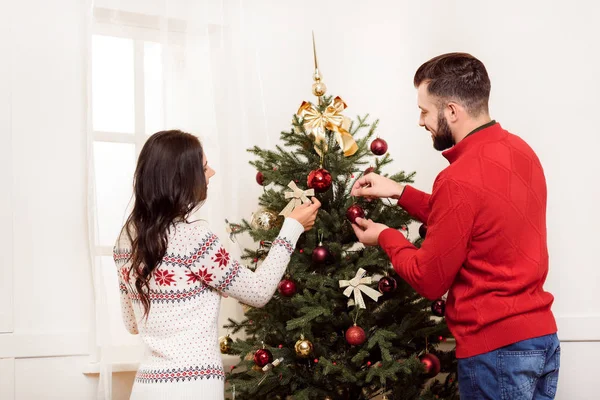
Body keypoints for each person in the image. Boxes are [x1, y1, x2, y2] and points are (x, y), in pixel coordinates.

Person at [350, 53, 560, 399]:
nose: (420, 121)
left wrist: (385, 236)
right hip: (541, 339)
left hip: (497, 352)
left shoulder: (458, 180)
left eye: (424, 111)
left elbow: (429, 279)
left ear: (451, 111)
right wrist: (400, 191)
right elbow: (474, 220)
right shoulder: (521, 151)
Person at [113, 130, 320, 399]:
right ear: (183, 179)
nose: (211, 173)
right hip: (194, 386)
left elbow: (132, 323)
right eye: (203, 167)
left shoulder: (125, 239)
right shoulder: (194, 238)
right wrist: (291, 228)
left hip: (146, 387)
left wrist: (194, 292)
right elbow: (258, 292)